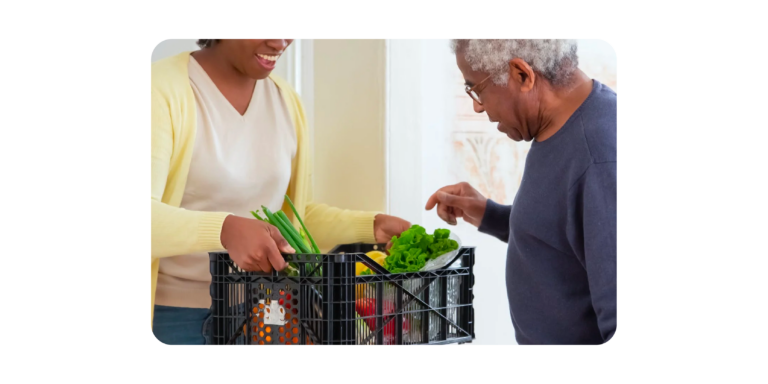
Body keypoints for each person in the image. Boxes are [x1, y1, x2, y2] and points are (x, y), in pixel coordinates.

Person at [150, 38, 410, 346]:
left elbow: (292, 218)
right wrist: (225, 230)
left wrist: (371, 226)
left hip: (269, 313)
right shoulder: (159, 91)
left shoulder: (286, 101)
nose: (280, 42)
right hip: (174, 318)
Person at [427, 38, 628, 346]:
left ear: (522, 74)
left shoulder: (601, 155)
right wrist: (490, 214)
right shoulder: (561, 128)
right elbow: (569, 232)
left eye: (476, 89)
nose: (477, 106)